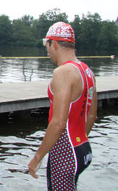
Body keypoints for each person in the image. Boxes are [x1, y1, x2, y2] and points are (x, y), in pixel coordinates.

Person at [28, 22, 97, 190]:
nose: (48, 52)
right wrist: (78, 141)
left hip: (64, 151)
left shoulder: (63, 72)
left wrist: (38, 157)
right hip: (82, 148)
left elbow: (58, 122)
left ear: (55, 44)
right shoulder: (87, 71)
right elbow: (91, 115)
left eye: (48, 46)